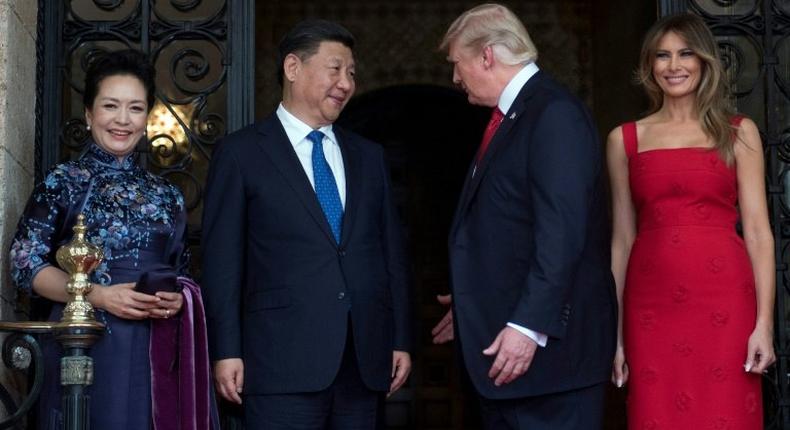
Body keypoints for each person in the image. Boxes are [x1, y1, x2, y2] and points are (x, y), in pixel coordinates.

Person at [201, 19, 412, 428]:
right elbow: (222, 262)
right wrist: (225, 349)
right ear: (293, 67)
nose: (346, 83)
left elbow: (391, 254)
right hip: (278, 363)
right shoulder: (241, 153)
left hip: (362, 361)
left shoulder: (369, 157)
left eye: (351, 73)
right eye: (335, 69)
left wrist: (400, 338)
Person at [430, 4, 616, 429]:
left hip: (548, 370)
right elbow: (508, 228)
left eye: (457, 64)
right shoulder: (516, 116)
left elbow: (561, 232)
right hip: (515, 368)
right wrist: (475, 303)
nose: (455, 78)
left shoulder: (552, 114)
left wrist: (529, 326)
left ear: (487, 56)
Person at [10, 49, 215, 429]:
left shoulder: (167, 195)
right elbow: (25, 264)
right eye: (111, 106)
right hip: (83, 342)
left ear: (147, 117)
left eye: (136, 108)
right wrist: (99, 296)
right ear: (89, 114)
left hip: (155, 346)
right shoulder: (63, 182)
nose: (123, 120)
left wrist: (176, 299)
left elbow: (181, 272)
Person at [607, 13, 775, 428]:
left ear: (704, 61)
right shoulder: (624, 139)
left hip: (725, 303)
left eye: (685, 54)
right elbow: (622, 241)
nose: (673, 65)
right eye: (662, 56)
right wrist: (614, 335)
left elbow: (757, 233)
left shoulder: (738, 133)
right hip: (651, 306)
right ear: (649, 65)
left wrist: (764, 326)